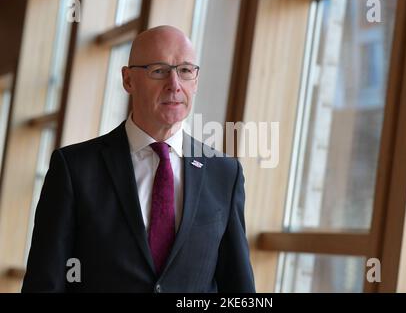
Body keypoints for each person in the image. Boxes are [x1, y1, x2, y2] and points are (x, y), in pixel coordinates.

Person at [21, 25, 255, 293]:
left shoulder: (224, 173)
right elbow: (44, 282)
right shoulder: (74, 168)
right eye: (159, 70)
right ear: (128, 80)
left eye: (185, 71)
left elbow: (239, 288)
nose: (174, 85)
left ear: (196, 81)